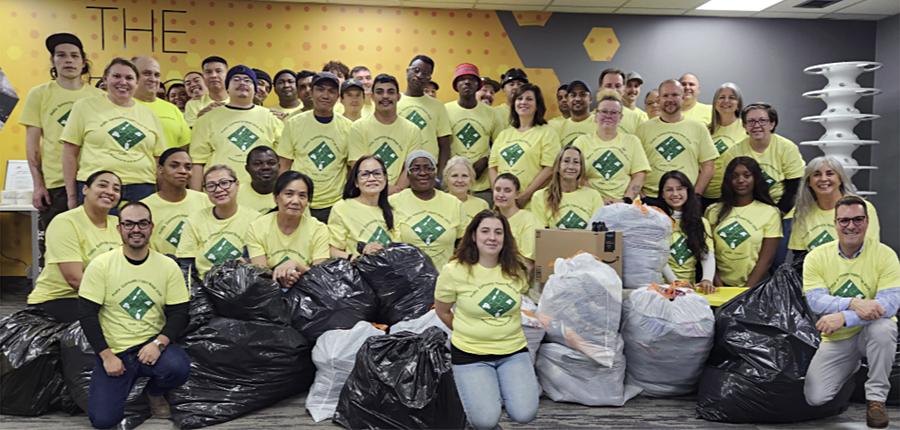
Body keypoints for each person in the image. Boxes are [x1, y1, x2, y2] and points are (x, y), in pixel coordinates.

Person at [78, 201, 191, 428]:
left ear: (151, 227)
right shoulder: (101, 265)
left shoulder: (168, 266)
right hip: (116, 350)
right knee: (103, 421)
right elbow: (87, 314)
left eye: (142, 223)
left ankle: (154, 392)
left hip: (151, 344)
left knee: (179, 368)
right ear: (119, 228)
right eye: (128, 224)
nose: (136, 229)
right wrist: (107, 356)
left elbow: (180, 313)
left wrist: (158, 344)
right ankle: (125, 381)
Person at [434, 210, 540, 430]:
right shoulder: (454, 271)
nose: (492, 237)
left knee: (525, 414)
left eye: (498, 232)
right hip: (470, 354)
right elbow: (443, 311)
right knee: (484, 421)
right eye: (485, 231)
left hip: (513, 351)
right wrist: (467, 330)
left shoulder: (517, 269)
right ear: (473, 235)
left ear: (506, 237)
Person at [802, 195, 899, 430]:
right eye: (844, 221)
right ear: (835, 223)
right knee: (815, 397)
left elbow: (890, 304)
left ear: (866, 222)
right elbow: (815, 301)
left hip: (870, 333)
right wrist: (854, 303)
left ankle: (876, 399)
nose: (851, 226)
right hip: (837, 339)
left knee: (884, 327)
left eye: (858, 219)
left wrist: (845, 316)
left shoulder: (885, 255)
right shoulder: (816, 256)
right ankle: (851, 367)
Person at [21, 33, 105, 265]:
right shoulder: (39, 94)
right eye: (61, 55)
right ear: (53, 62)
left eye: (74, 55)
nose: (68, 60)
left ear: (83, 62)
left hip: (93, 181)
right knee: (57, 247)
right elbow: (32, 142)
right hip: (56, 183)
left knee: (96, 244)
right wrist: (38, 184)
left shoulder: (99, 96)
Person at [62, 57, 166, 212]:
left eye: (129, 78)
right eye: (117, 76)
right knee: (96, 235)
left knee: (139, 235)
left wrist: (161, 197)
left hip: (143, 188)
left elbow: (158, 158)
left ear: (137, 83)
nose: (123, 82)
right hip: (99, 187)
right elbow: (69, 153)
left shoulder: (150, 114)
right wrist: (71, 197)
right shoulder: (85, 106)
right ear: (105, 79)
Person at [27, 171, 122, 323]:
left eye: (116, 189)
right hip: (61, 298)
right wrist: (118, 303)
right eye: (102, 185)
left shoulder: (118, 224)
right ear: (85, 189)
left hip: (102, 296)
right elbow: (75, 280)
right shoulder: (65, 222)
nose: (110, 192)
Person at [719, 102, 805, 269]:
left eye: (762, 121)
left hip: (782, 211)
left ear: (772, 124)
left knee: (774, 262)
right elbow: (729, 186)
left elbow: (795, 188)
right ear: (744, 125)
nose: (756, 126)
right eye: (751, 122)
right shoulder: (734, 152)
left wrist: (774, 214)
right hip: (746, 210)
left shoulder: (787, 148)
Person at [189, 65, 284, 189]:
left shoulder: (271, 118)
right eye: (236, 79)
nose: (242, 82)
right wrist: (197, 198)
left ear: (255, 89)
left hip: (262, 191)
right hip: (220, 191)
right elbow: (197, 162)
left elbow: (283, 160)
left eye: (247, 80)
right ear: (227, 88)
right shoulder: (207, 118)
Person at [277, 72, 352, 223]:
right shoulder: (293, 123)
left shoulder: (349, 127)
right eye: (320, 89)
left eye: (331, 91)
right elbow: (284, 165)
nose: (325, 95)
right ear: (311, 92)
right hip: (300, 202)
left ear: (338, 96)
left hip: (335, 204)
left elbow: (350, 168)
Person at [635, 79, 717, 207]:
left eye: (675, 95)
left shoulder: (698, 128)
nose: (670, 99)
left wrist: (695, 195)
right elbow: (633, 165)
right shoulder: (643, 129)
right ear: (659, 100)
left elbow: (709, 167)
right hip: (651, 199)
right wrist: (641, 195)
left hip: (686, 199)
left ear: (683, 97)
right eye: (665, 96)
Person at [705, 157, 781, 289]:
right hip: (717, 287)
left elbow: (766, 261)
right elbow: (708, 252)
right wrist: (719, 286)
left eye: (747, 176)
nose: (740, 180)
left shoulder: (770, 212)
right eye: (734, 176)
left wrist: (745, 293)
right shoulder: (712, 211)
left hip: (753, 289)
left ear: (755, 178)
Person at [245, 171, 330, 287]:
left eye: (302, 196)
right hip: (269, 291)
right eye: (289, 194)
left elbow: (321, 276)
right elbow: (262, 276)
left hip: (308, 289)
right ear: (276, 198)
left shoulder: (319, 230)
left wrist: (295, 265)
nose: (295, 201)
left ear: (307, 202)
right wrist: (282, 277)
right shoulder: (257, 228)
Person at [176, 165, 260, 278]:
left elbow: (258, 261)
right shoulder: (194, 220)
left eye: (225, 183)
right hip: (205, 288)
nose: (219, 189)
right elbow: (187, 267)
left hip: (245, 285)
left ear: (237, 185)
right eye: (211, 186)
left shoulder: (255, 219)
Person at [348, 73, 426, 194]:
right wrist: (384, 189)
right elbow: (357, 166)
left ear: (398, 97)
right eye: (380, 92)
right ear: (372, 96)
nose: (385, 96)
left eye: (390, 92)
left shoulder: (412, 130)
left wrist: (396, 190)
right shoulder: (358, 127)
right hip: (367, 195)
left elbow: (410, 167)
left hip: (399, 195)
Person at [389, 151, 466, 272]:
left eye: (428, 168)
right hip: (407, 279)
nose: (423, 173)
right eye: (415, 169)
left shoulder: (454, 203)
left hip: (445, 277)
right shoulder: (393, 202)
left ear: (435, 173)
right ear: (408, 174)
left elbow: (463, 244)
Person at [790, 156, 880, 255]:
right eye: (816, 174)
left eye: (830, 174)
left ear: (840, 179)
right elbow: (799, 255)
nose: (823, 179)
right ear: (809, 182)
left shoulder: (862, 208)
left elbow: (868, 250)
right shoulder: (802, 213)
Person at [488, 83, 560, 208]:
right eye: (519, 99)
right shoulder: (503, 135)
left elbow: (549, 169)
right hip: (503, 207)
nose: (523, 102)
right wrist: (500, 195)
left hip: (532, 205)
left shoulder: (547, 133)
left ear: (538, 105)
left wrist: (525, 196)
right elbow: (493, 168)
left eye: (529, 99)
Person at [571, 94, 649, 204]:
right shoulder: (581, 142)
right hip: (591, 203)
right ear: (596, 115)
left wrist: (625, 200)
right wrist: (599, 200)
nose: (608, 116)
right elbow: (576, 175)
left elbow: (639, 174)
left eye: (614, 113)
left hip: (626, 205)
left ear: (620, 117)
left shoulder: (632, 141)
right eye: (603, 111)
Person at [445, 63, 505, 204]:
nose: (467, 82)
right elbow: (442, 146)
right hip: (453, 186)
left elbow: (501, 147)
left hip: (483, 187)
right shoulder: (444, 110)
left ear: (478, 84)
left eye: (471, 79)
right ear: (455, 85)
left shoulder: (493, 113)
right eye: (462, 79)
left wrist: (486, 160)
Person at [141, 148, 210, 255]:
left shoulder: (204, 200)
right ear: (160, 169)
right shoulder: (144, 207)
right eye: (174, 166)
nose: (182, 171)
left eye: (188, 167)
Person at [658, 171, 715, 294]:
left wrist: (707, 280)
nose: (675, 194)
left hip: (690, 290)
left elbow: (707, 254)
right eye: (669, 190)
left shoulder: (701, 222)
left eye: (680, 189)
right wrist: (674, 281)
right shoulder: (656, 221)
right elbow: (658, 257)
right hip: (662, 289)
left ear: (688, 191)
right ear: (662, 194)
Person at [328, 155, 395, 260]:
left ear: (385, 179)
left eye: (377, 173)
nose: (372, 178)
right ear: (356, 182)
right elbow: (334, 251)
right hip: (357, 272)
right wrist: (362, 258)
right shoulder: (341, 208)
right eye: (365, 174)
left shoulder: (394, 208)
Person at [398, 55, 452, 174]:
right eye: (416, 70)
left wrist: (439, 178)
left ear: (429, 79)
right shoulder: (394, 101)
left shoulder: (438, 106)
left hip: (428, 172)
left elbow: (444, 146)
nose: (420, 76)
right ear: (407, 71)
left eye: (426, 74)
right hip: (398, 170)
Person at [530, 146, 604, 229]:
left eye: (576, 162)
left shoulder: (594, 196)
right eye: (566, 161)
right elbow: (541, 234)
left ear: (581, 168)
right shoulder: (540, 196)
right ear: (558, 167)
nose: (571, 167)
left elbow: (598, 233)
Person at [702, 83, 746, 208]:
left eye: (732, 97)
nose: (726, 101)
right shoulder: (705, 130)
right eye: (721, 97)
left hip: (733, 195)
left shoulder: (746, 128)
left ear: (738, 103)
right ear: (715, 102)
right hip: (704, 194)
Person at [133, 56, 191, 150]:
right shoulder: (120, 107)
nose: (153, 79)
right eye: (146, 73)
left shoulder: (172, 109)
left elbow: (185, 145)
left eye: (157, 75)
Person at [492, 173, 541, 277]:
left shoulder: (529, 220)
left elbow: (529, 265)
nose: (501, 195)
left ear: (517, 194)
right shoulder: (489, 219)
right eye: (497, 189)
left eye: (507, 191)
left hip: (514, 279)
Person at [184, 56, 229, 126]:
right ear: (203, 77)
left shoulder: (238, 101)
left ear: (228, 75)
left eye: (218, 71)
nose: (213, 75)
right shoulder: (193, 105)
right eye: (208, 72)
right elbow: (192, 134)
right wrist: (201, 119)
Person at [445, 156, 490, 226]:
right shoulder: (438, 202)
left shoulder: (482, 205)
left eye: (464, 176)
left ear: (471, 179)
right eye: (454, 175)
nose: (460, 180)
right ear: (446, 178)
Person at [597, 68, 642, 135]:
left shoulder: (638, 119)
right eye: (608, 86)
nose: (613, 89)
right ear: (600, 89)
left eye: (618, 86)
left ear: (623, 90)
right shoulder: (590, 118)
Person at [237, 146, 279, 214]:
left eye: (271, 163)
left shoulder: (290, 194)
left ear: (279, 167)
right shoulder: (234, 194)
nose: (266, 167)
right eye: (258, 164)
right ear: (247, 169)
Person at [556, 80, 595, 147]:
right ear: (567, 100)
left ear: (590, 99)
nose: (577, 99)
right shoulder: (559, 130)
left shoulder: (601, 124)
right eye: (573, 95)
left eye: (583, 95)